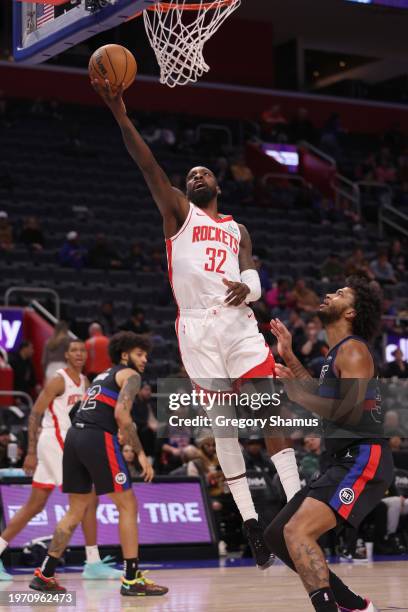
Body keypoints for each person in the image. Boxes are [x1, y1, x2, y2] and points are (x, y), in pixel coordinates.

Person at [93, 78, 301, 570]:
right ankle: (251, 523)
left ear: (219, 185)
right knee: (224, 429)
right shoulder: (177, 214)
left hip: (238, 322)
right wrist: (121, 114)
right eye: (190, 174)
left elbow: (252, 271)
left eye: (204, 172)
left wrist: (249, 289)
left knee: (268, 410)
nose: (196, 176)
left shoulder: (236, 228)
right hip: (195, 330)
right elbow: (147, 162)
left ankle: (295, 507)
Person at [265, 276, 393, 612]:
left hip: (364, 457)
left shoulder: (353, 350)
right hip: (342, 459)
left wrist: (297, 395)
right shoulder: (336, 354)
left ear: (351, 312)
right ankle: (354, 605)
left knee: (297, 532)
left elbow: (348, 413)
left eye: (339, 294)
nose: (328, 295)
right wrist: (290, 357)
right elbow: (319, 394)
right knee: (277, 535)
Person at [28, 332, 167, 597]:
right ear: (125, 355)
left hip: (75, 437)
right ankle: (131, 578)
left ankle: (45, 574)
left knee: (76, 509)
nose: (145, 359)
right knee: (128, 504)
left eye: (146, 354)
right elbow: (121, 415)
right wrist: (140, 455)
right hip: (96, 437)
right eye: (140, 354)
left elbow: (91, 410)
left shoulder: (103, 374)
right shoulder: (130, 376)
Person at [0, 339, 121, 581]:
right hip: (53, 443)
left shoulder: (85, 382)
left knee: (35, 505)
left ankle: (93, 562)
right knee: (87, 499)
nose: (79, 354)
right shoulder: (59, 379)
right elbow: (34, 413)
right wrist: (31, 452)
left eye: (82, 351)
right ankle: (92, 562)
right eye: (74, 350)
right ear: (66, 355)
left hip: (67, 443)